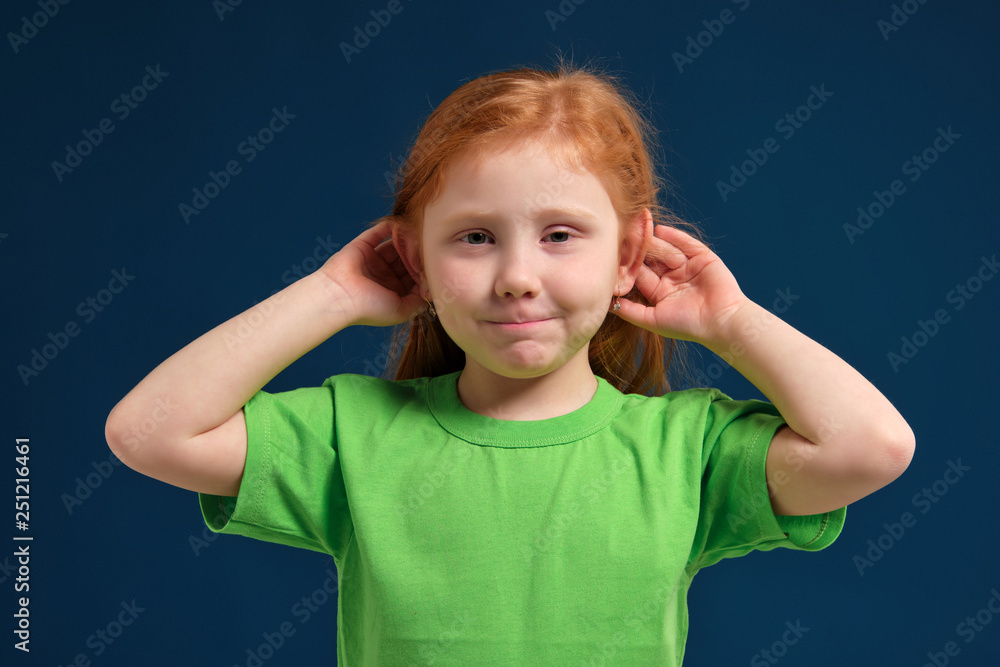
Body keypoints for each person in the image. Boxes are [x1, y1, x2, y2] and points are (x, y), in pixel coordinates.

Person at [105, 59, 915, 665]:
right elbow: (148, 431)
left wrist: (731, 321)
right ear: (414, 259)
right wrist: (331, 294)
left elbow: (871, 447)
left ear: (629, 251)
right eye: (474, 236)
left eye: (561, 233)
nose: (518, 275)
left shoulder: (686, 450)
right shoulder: (353, 434)